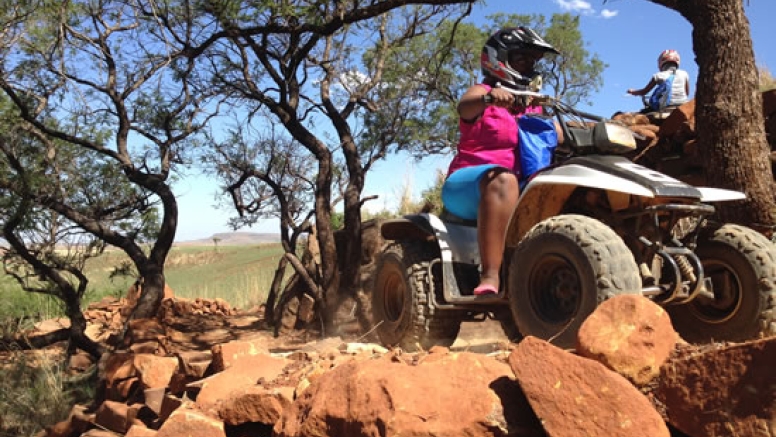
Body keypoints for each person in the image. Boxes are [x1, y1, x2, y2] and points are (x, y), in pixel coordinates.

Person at [441, 26, 559, 296]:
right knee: (503, 178)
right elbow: (465, 107)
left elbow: (555, 133)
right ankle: (490, 275)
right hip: (469, 185)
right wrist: (488, 98)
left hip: (515, 187)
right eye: (522, 59)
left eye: (532, 61)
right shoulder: (482, 91)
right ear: (500, 59)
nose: (529, 66)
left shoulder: (532, 104)